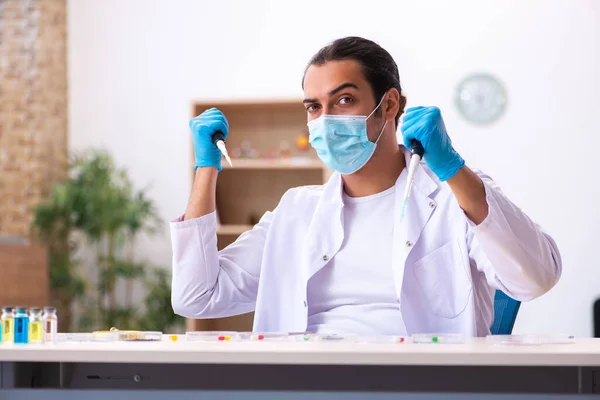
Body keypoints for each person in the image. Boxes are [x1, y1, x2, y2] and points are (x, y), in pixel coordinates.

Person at [170, 37, 561, 337]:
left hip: (418, 383)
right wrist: (207, 167)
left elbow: (535, 278)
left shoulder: (450, 197)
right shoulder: (297, 211)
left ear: (389, 105)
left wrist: (452, 168)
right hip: (304, 382)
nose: (324, 120)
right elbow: (197, 296)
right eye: (313, 106)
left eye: (344, 99)